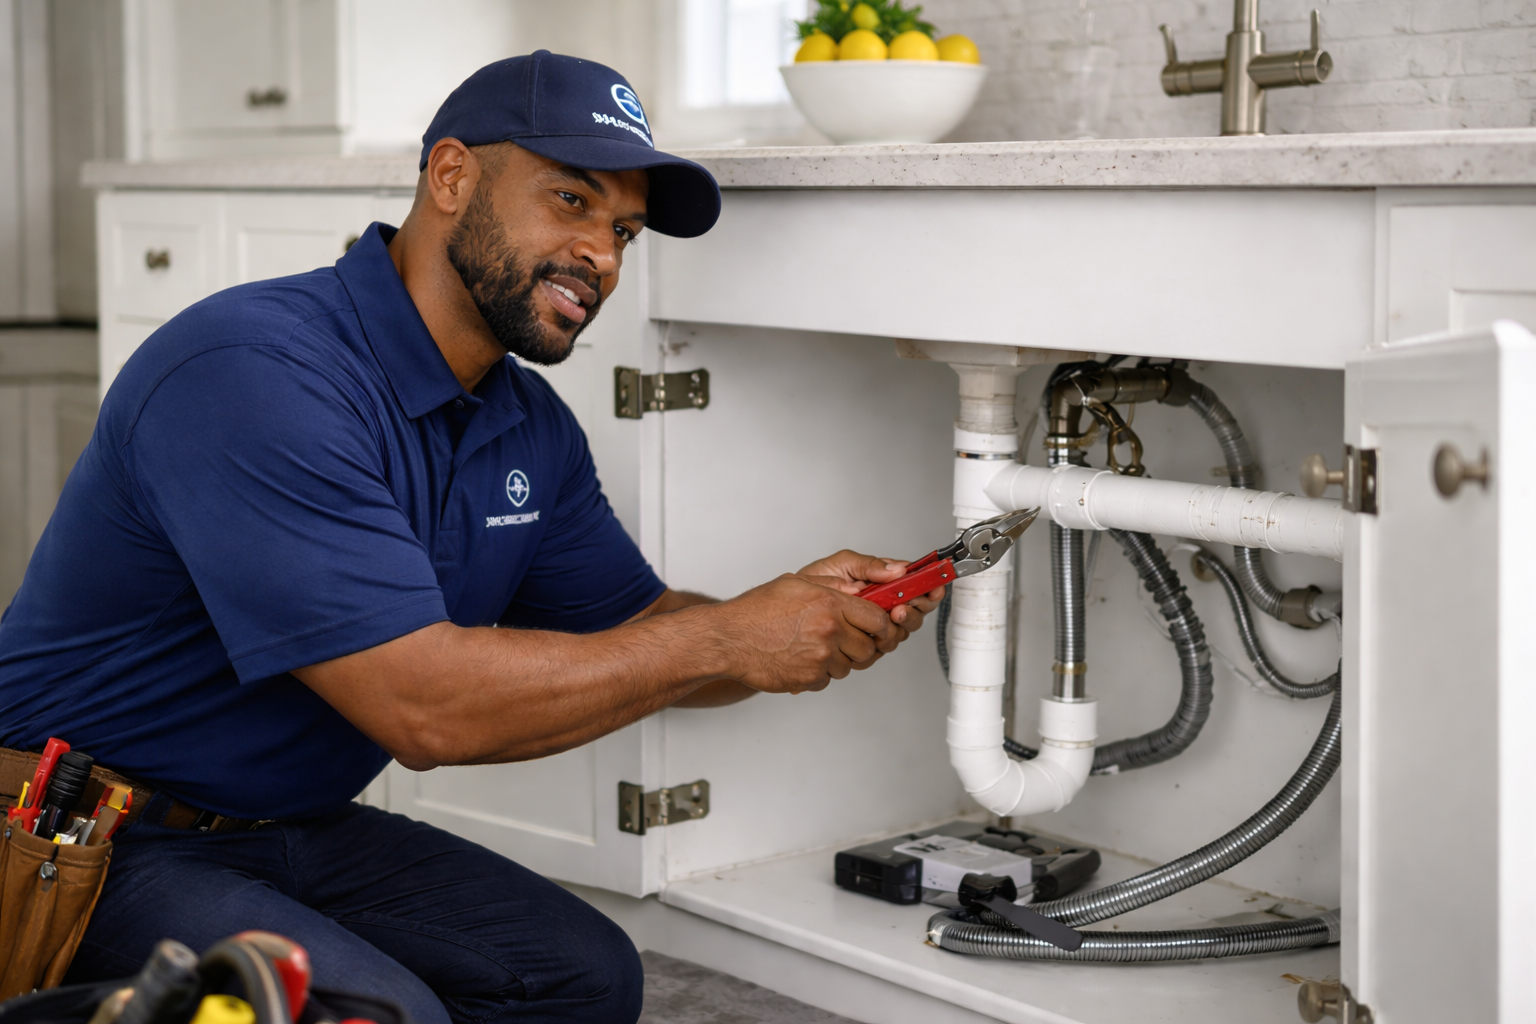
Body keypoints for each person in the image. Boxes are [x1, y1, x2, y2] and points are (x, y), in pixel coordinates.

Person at [0, 52, 942, 1024]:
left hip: (290, 824)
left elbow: (644, 627)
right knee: (379, 1014)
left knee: (583, 973)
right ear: (451, 177)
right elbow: (425, 709)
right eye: (570, 201)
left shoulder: (527, 426)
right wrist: (728, 637)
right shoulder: (254, 371)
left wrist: (795, 618)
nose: (605, 256)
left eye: (622, 229)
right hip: (87, 838)